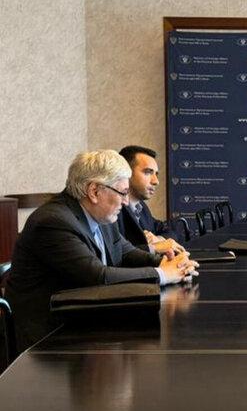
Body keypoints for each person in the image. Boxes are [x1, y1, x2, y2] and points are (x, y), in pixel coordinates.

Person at [4, 150, 199, 352]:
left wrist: (167, 262)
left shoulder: (101, 214)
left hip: (84, 317)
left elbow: (125, 252)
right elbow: (98, 276)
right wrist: (163, 274)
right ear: (94, 191)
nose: (126, 202)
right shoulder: (53, 222)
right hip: (46, 340)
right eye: (122, 192)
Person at [117, 145, 182, 253]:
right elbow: (117, 253)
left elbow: (169, 230)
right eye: (148, 172)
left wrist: (159, 239)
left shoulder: (141, 206)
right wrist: (155, 248)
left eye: (156, 174)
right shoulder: (114, 209)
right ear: (126, 172)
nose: (156, 181)